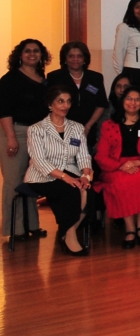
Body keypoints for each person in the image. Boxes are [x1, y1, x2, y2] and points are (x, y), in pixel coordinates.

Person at [23, 85, 93, 256]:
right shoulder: (36, 129)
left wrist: (85, 175)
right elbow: (39, 161)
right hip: (41, 176)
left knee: (89, 191)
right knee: (70, 191)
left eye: (68, 101)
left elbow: (84, 155)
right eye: (60, 101)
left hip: (71, 172)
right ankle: (70, 237)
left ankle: (66, 232)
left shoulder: (77, 127)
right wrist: (65, 177)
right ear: (50, 104)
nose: (65, 105)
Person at [95, 84, 140, 247]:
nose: (133, 102)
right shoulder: (108, 125)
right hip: (116, 166)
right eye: (129, 98)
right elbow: (101, 155)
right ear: (122, 101)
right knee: (121, 182)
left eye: (137, 99)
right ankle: (130, 228)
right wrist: (121, 166)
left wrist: (138, 162)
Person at [1, 39, 50, 240]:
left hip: (37, 135)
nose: (32, 54)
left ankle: (32, 224)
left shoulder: (42, 79)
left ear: (41, 55)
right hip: (15, 133)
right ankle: (15, 229)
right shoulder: (10, 79)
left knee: (32, 180)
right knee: (14, 181)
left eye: (36, 51)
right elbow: (3, 111)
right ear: (20, 55)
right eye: (27, 51)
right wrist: (11, 137)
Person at [47, 42, 108, 137]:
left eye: (79, 56)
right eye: (71, 56)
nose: (75, 59)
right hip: (60, 128)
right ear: (65, 59)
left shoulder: (95, 78)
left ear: (84, 59)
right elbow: (50, 104)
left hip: (88, 129)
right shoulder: (55, 77)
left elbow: (101, 104)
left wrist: (88, 126)